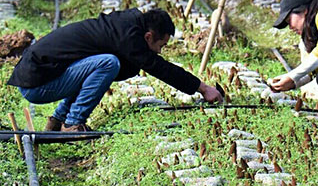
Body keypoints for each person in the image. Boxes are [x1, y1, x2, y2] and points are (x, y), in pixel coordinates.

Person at [7, 9, 223, 132]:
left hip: (37, 75)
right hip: (35, 85)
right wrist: (202, 88)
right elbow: (158, 67)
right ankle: (72, 124)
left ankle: (57, 120)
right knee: (108, 63)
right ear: (148, 36)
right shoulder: (130, 36)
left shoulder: (126, 25)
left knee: (95, 64)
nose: (159, 52)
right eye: (160, 46)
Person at [269, 0, 318, 92]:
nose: (290, 27)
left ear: (304, 10)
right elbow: (312, 70)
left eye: (289, 21)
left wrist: (292, 76)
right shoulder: (310, 31)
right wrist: (292, 83)